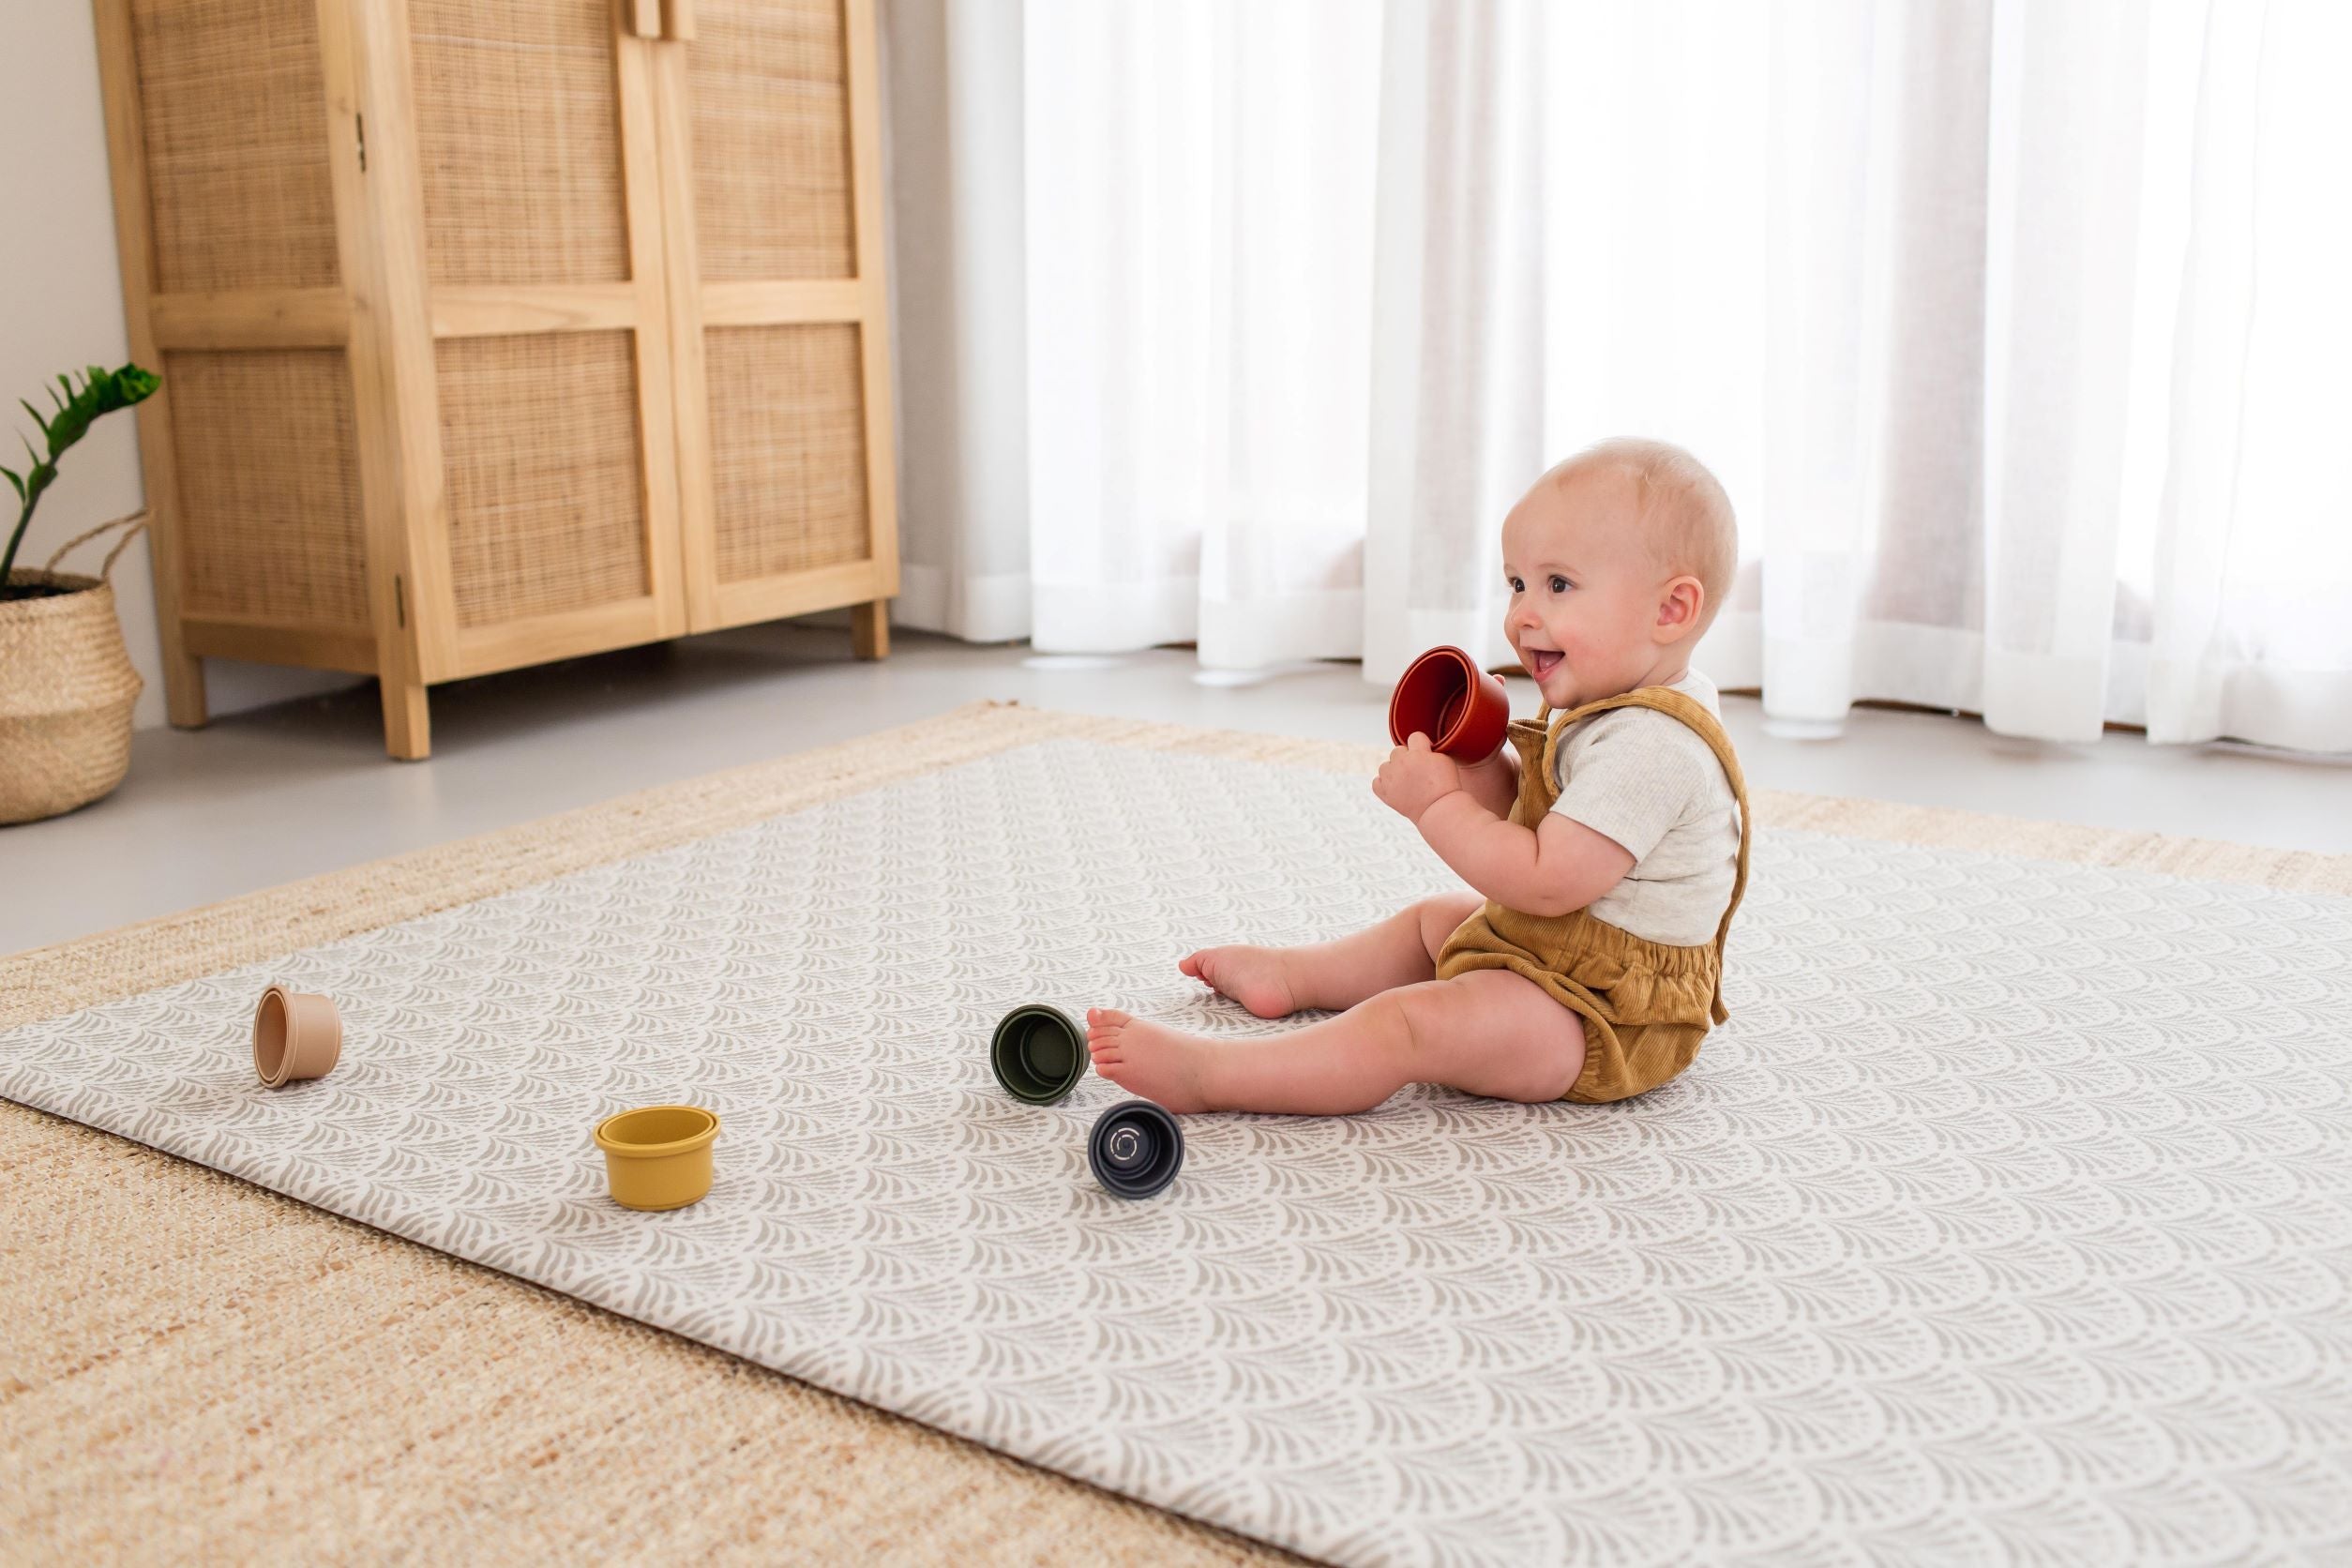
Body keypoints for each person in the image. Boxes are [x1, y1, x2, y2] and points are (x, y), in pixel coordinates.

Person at [1087, 438, 1750, 1114]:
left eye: (1558, 585)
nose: (1523, 613)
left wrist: (1437, 807)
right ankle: (1295, 976)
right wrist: (1485, 763)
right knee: (1434, 923)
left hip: (1603, 1020)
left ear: (1670, 610)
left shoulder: (1654, 747)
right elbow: (1533, 821)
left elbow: (1546, 881)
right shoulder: (1612, 709)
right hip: (1569, 960)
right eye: (1517, 583)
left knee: (1408, 1023)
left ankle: (1212, 1077)